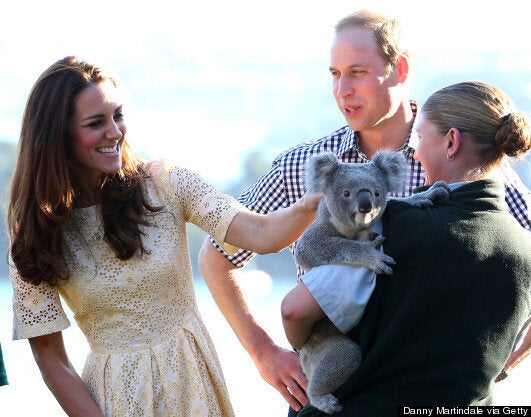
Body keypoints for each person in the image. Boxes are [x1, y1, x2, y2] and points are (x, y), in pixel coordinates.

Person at [197, 9, 531, 414]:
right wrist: (264, 353)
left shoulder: (459, 160)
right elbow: (217, 256)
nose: (343, 90)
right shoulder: (303, 167)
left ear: (400, 69)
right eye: (334, 74)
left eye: (357, 72)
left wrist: (501, 365)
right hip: (331, 395)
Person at [7, 56, 321, 417]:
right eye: (96, 123)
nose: (114, 132)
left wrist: (315, 203)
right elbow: (50, 357)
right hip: (114, 401)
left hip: (194, 386)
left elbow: (262, 233)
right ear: (57, 134)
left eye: (117, 115)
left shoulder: (166, 185)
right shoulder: (35, 234)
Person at [281, 81, 531, 415]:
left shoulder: (391, 225)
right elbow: (503, 360)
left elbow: (295, 310)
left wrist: (299, 349)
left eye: (421, 138)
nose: (416, 152)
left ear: (452, 142)